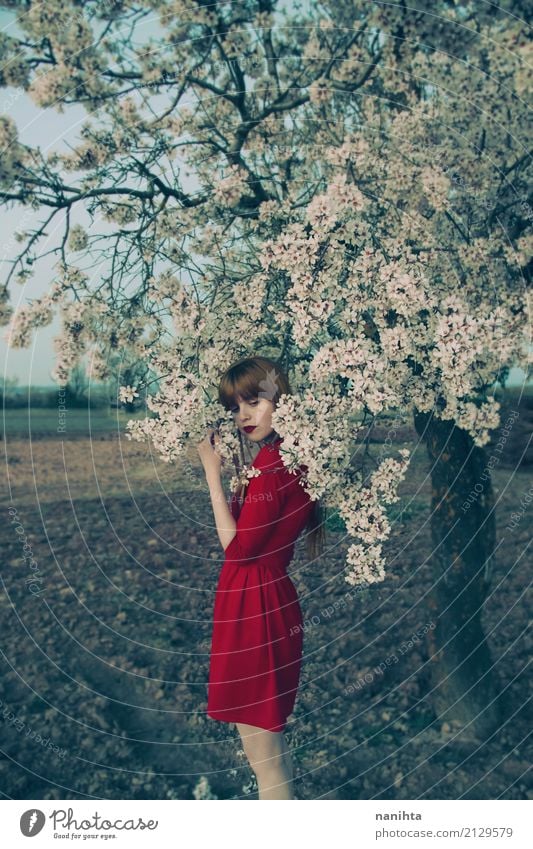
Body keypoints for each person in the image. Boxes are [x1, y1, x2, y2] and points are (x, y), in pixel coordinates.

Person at [197, 355, 325, 800]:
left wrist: (212, 476)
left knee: (264, 756)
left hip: (256, 604)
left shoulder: (276, 464)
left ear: (280, 401)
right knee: (269, 750)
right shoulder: (280, 459)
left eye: (254, 401)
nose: (244, 415)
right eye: (235, 407)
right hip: (255, 599)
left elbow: (238, 549)